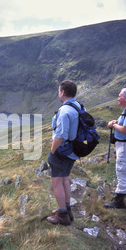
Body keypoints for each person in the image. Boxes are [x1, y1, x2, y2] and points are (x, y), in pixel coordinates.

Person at [46, 80, 80, 225]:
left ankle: (62, 216)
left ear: (63, 92)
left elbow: (61, 135)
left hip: (62, 151)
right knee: (65, 178)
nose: (58, 93)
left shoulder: (65, 110)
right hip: (72, 150)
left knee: (56, 181)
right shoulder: (77, 106)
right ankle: (67, 209)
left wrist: (53, 151)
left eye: (59, 91)